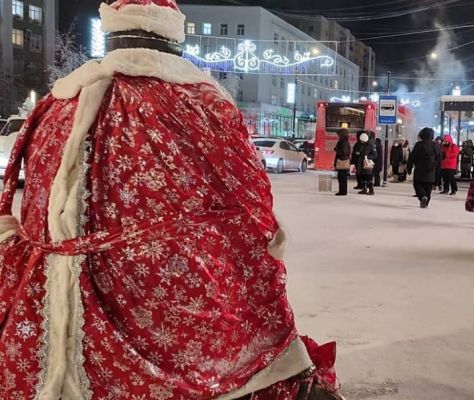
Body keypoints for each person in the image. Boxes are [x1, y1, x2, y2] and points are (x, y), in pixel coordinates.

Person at [0, 0, 341, 398]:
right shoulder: (200, 104)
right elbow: (248, 198)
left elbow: (19, 197)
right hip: (163, 289)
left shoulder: (56, 103)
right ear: (173, 37)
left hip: (49, 292)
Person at [407, 128, 442, 208]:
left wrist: (409, 167)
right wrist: (438, 171)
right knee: (428, 188)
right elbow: (439, 159)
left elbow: (412, 157)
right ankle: (426, 201)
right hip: (431, 171)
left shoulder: (419, 144)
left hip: (419, 169)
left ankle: (423, 197)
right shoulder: (436, 146)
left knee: (417, 184)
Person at [334, 129, 352, 196]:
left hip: (342, 162)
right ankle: (342, 191)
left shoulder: (343, 142)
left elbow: (344, 153)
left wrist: (336, 150)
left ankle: (342, 192)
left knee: (342, 178)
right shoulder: (344, 141)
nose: (338, 136)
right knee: (342, 178)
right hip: (343, 161)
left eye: (338, 134)